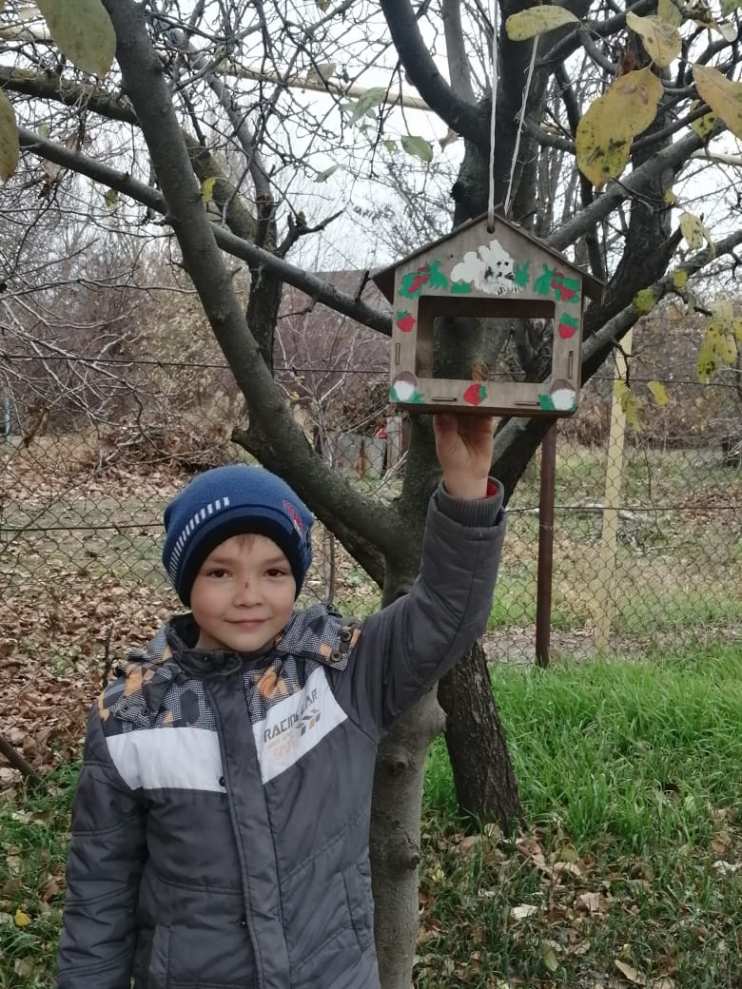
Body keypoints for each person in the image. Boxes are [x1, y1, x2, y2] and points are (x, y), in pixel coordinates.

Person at [57, 414, 506, 989]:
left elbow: (446, 614)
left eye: (273, 572)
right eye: (220, 572)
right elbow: (99, 897)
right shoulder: (131, 720)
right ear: (186, 580)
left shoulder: (340, 672)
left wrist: (466, 491)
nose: (248, 595)